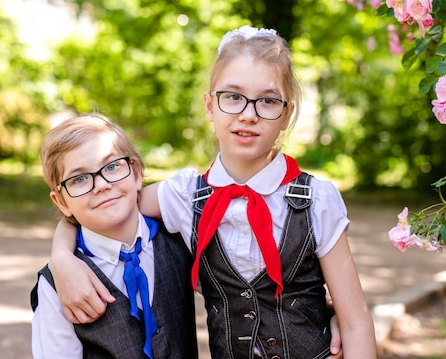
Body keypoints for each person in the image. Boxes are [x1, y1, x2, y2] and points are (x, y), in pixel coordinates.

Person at [50, 26, 376, 359]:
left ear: (286, 113)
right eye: (233, 97)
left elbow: (356, 324)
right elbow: (110, 203)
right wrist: (61, 259)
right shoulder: (184, 196)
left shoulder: (317, 200)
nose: (248, 115)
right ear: (209, 106)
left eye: (267, 100)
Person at [30, 113, 198, 359]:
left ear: (137, 172)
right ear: (62, 202)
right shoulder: (55, 285)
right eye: (79, 179)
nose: (101, 185)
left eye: (111, 166)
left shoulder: (179, 238)